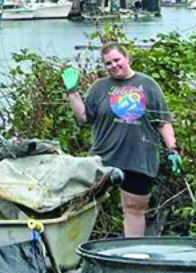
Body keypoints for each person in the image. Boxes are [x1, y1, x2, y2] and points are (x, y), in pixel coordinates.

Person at [63, 42, 182, 237]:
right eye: (108, 63)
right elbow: (83, 118)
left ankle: (132, 253)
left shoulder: (148, 85)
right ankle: (75, 248)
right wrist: (73, 92)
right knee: (82, 204)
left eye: (117, 60)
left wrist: (173, 149)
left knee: (133, 209)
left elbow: (163, 122)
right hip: (103, 158)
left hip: (139, 159)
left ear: (127, 58)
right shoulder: (99, 87)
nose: (114, 65)